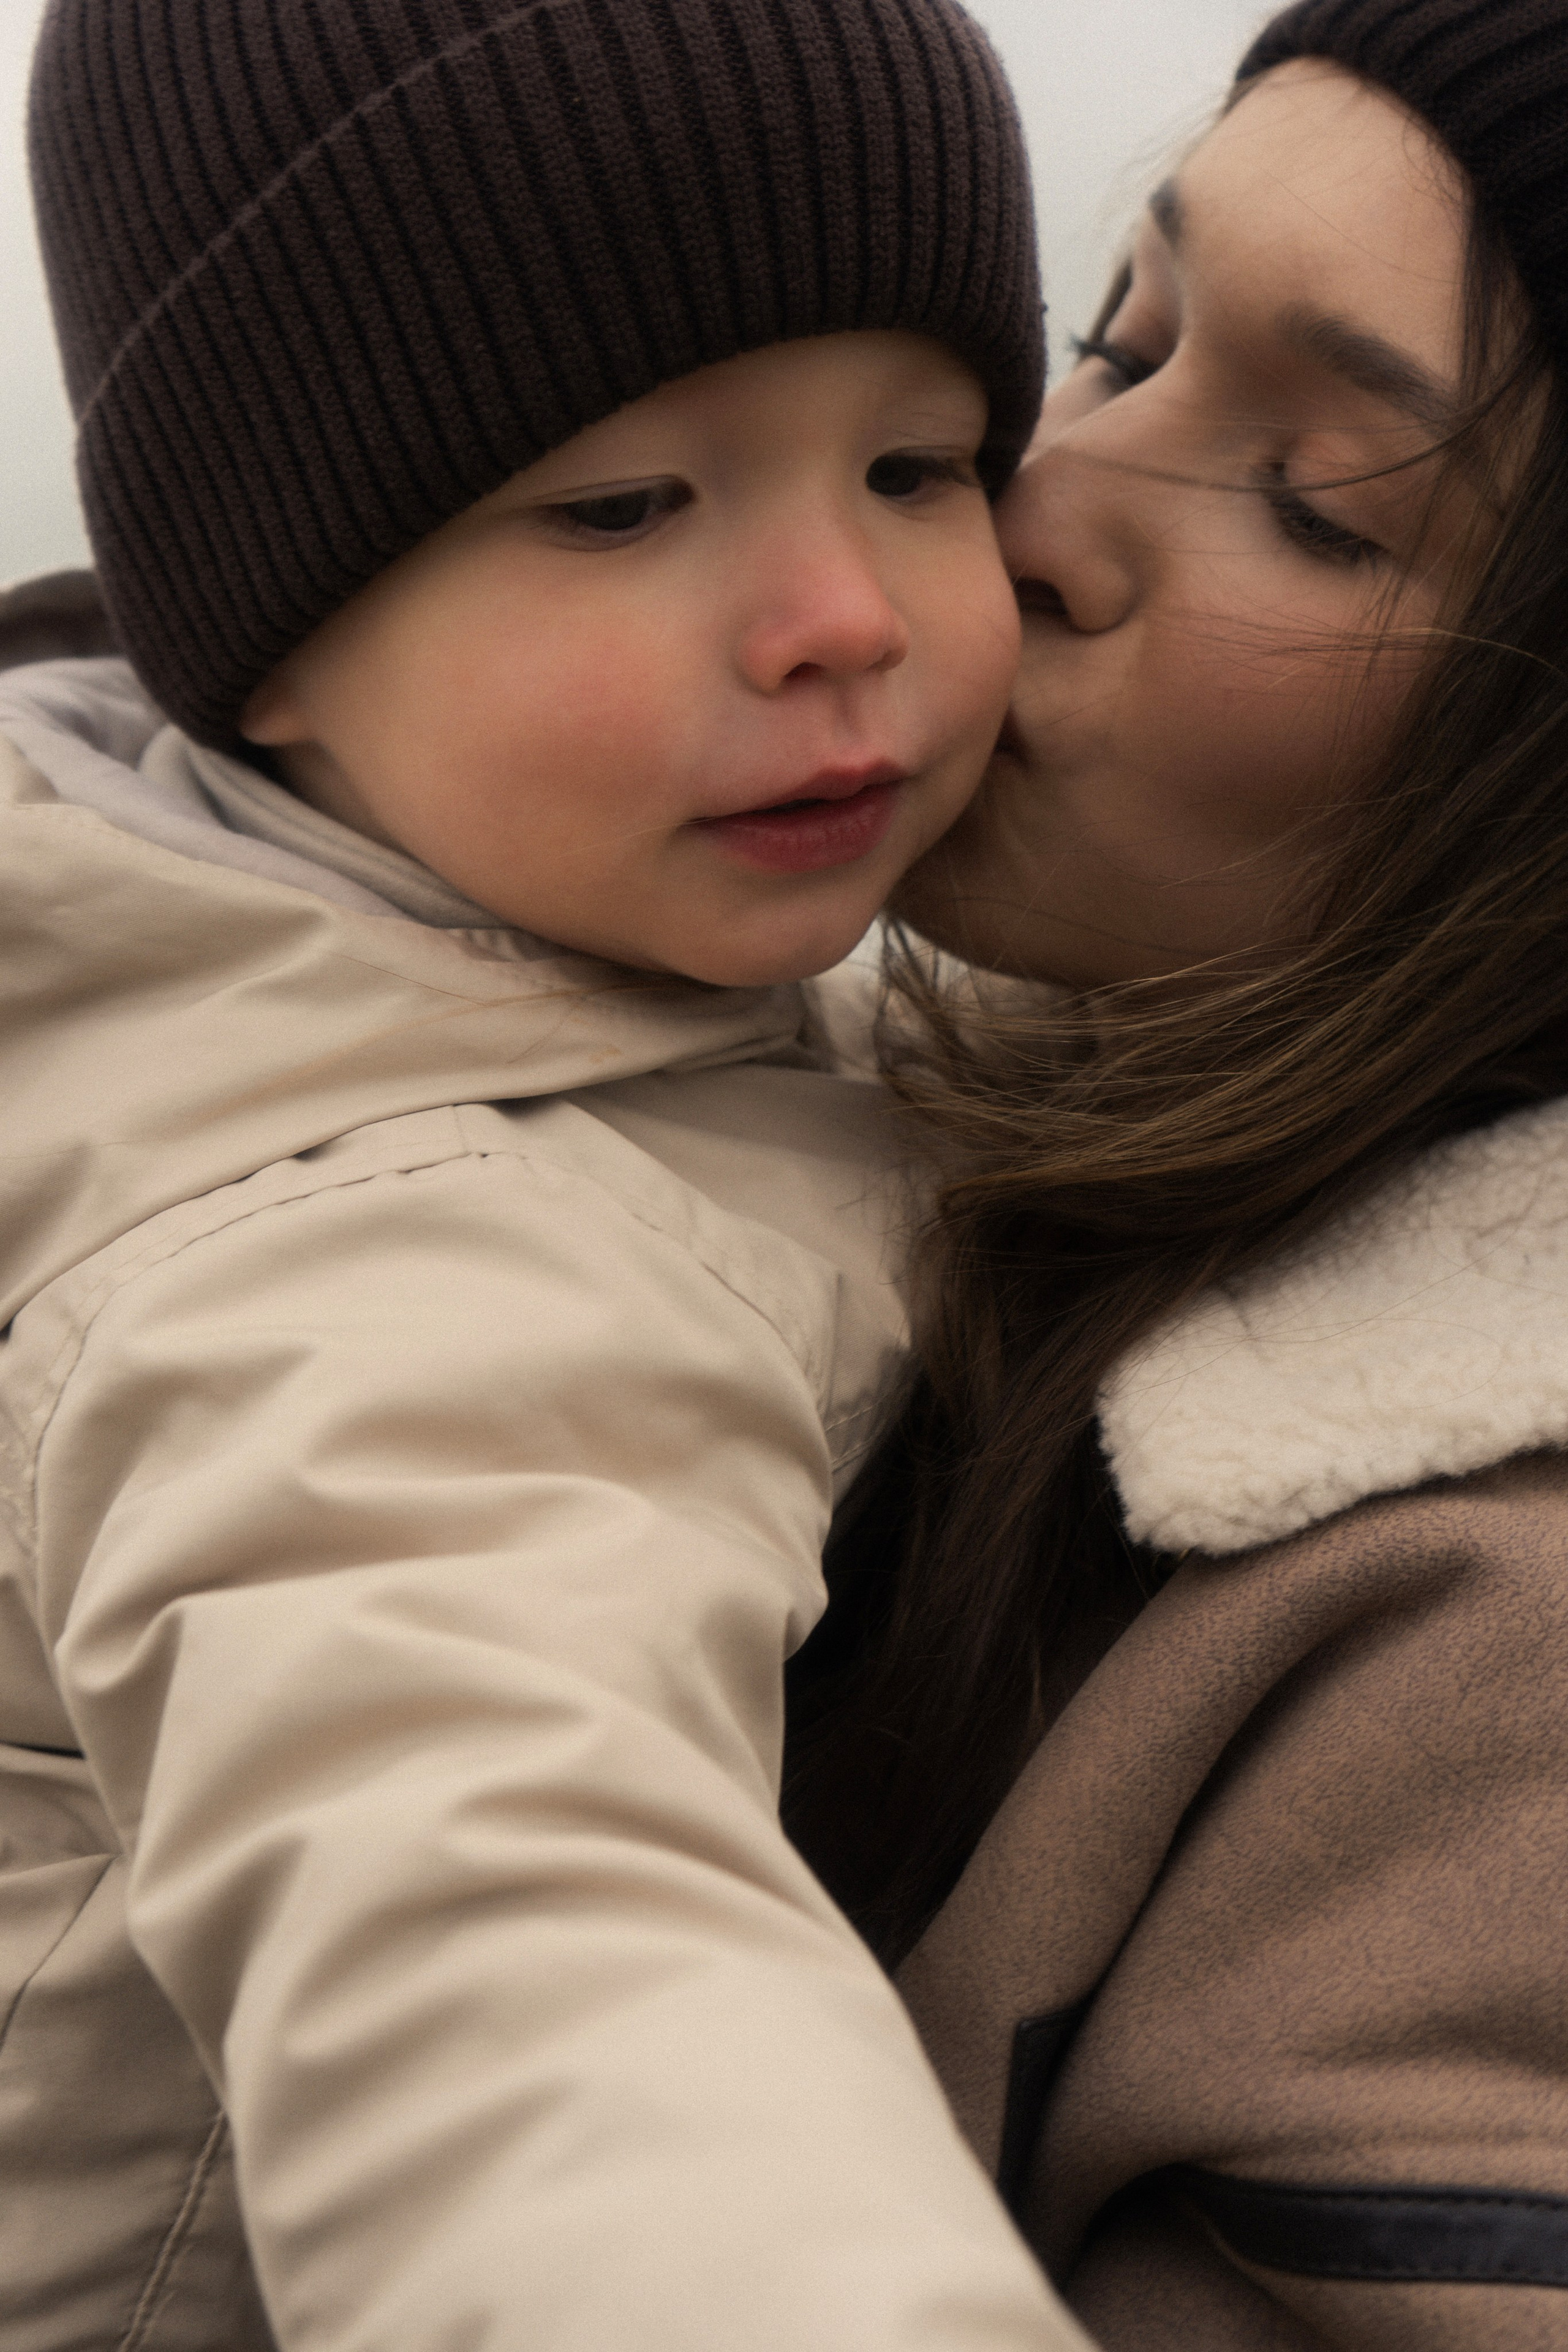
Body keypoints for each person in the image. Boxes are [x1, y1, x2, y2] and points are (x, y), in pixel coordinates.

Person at [0, 3, 1087, 2347]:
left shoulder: (462, 912)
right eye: (617, 506)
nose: (847, 617)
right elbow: (511, 1953)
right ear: (264, 635)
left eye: (923, 464)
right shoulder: (350, 1257)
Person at [787, 1, 1568, 2343]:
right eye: (1112, 341)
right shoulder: (807, 1126)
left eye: (1322, 498)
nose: (1023, 513)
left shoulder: (1496, 1677)